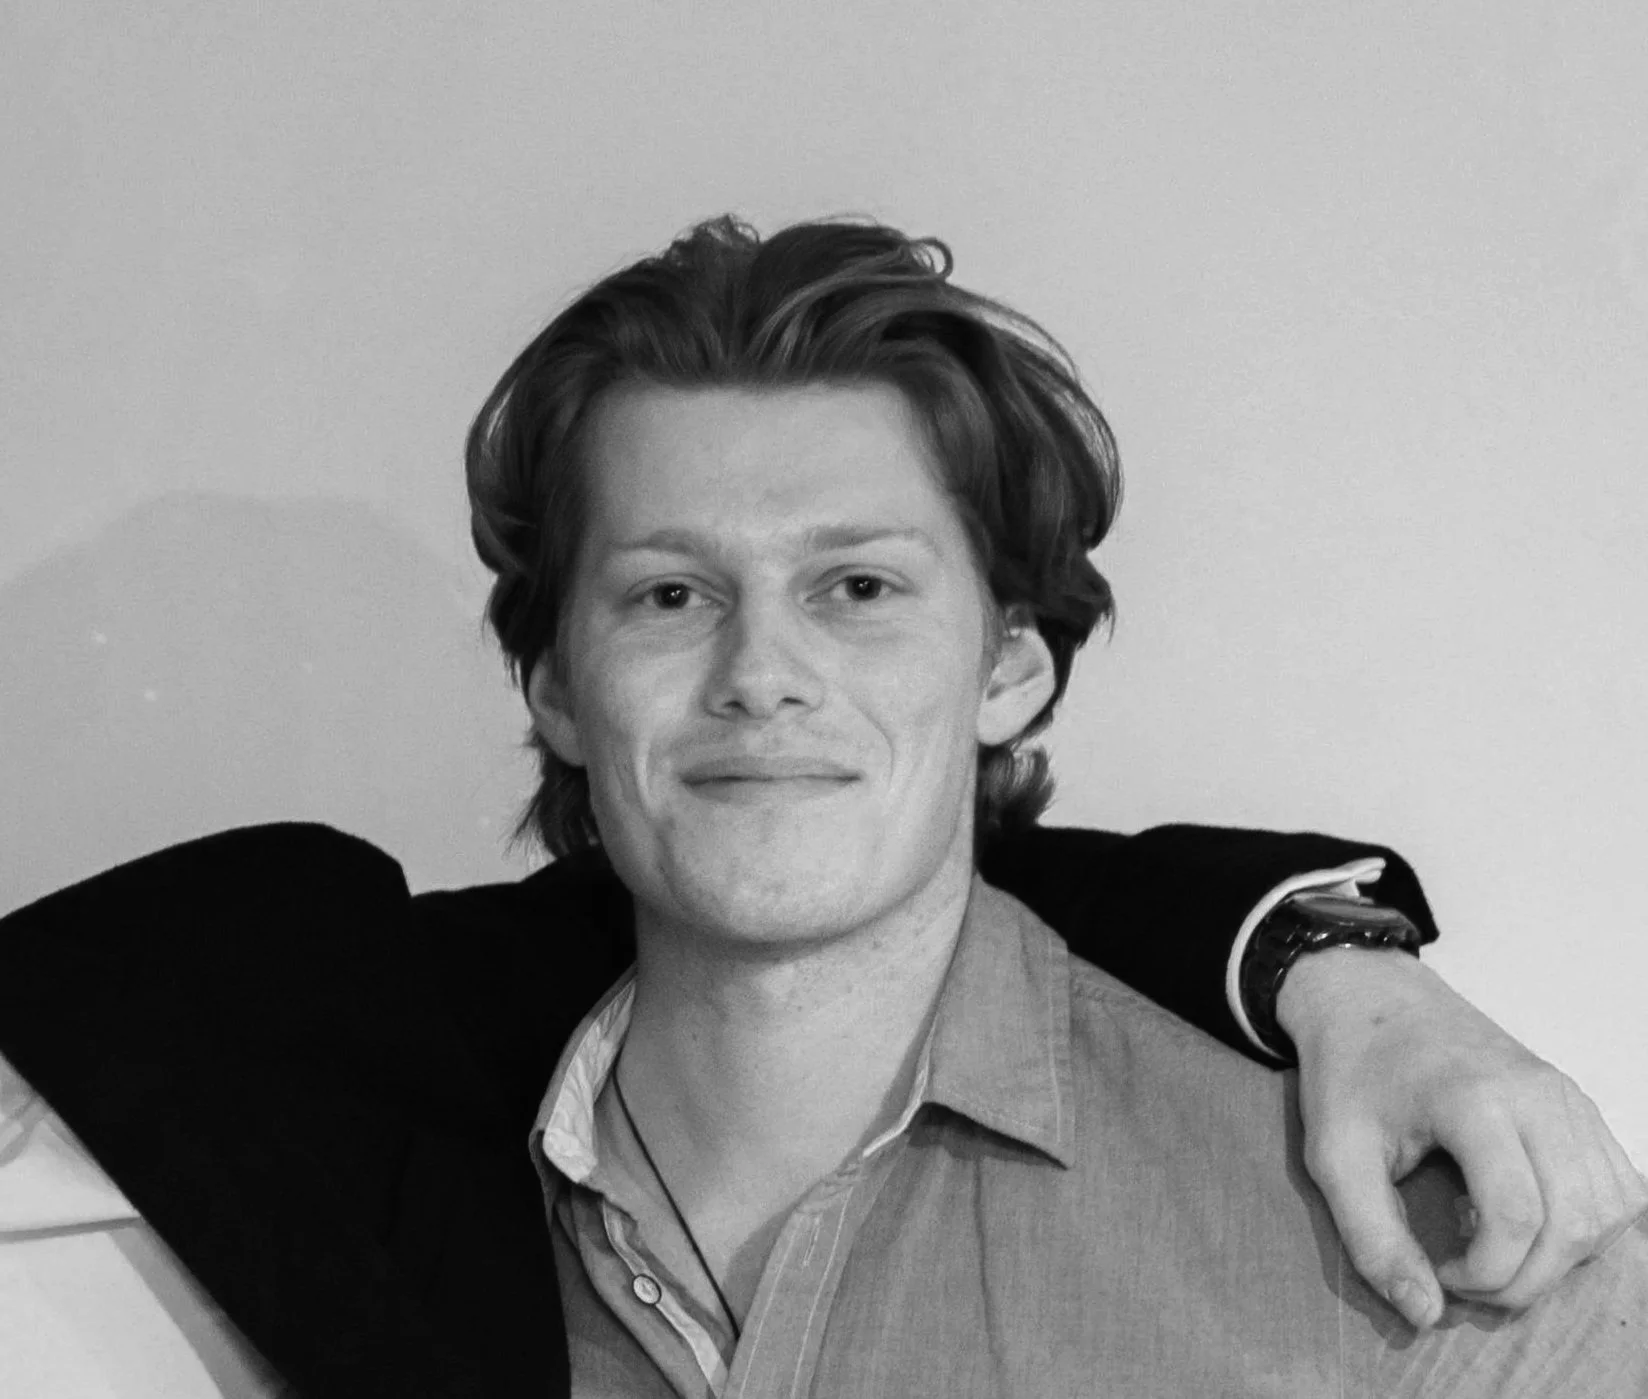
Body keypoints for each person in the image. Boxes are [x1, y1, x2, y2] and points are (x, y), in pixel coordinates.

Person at [0, 219, 1641, 1398]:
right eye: (669, 595)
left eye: (857, 586)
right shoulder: (333, 1177)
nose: (760, 675)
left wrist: (1330, 952)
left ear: (1009, 666)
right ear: (558, 686)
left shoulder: (1429, 1259)